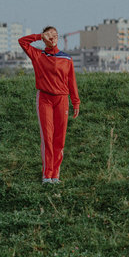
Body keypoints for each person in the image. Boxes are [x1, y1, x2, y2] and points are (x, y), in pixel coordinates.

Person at [19, 26, 80, 184]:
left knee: (59, 139)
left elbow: (71, 81)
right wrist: (39, 36)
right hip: (44, 99)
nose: (52, 37)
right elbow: (22, 42)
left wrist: (76, 101)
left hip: (62, 100)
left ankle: (55, 175)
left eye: (55, 35)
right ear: (44, 38)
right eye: (49, 35)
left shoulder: (66, 58)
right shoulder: (38, 55)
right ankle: (47, 174)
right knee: (48, 137)